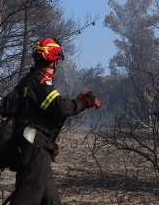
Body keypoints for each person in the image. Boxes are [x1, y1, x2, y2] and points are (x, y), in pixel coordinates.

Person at [9, 37, 99, 205]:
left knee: (50, 200)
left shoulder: (28, 81)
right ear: (54, 62)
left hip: (36, 147)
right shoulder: (40, 81)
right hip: (34, 148)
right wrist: (83, 102)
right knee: (26, 199)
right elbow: (61, 107)